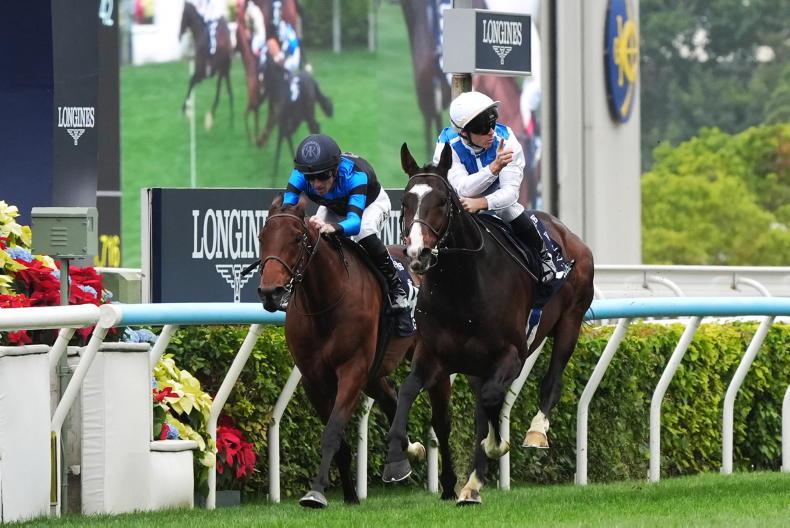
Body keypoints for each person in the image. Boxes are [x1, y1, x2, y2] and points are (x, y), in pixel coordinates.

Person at [433, 91, 570, 284]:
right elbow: (463, 189)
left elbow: (510, 194)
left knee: (509, 210)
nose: (491, 131)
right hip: (461, 198)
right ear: (463, 132)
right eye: (482, 128)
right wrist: (493, 168)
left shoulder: (507, 140)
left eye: (492, 122)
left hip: (498, 198)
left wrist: (482, 202)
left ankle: (545, 257)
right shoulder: (446, 144)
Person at [282, 134, 410, 311]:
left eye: (323, 176)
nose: (317, 184)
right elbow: (286, 213)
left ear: (335, 170)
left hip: (370, 205)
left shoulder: (355, 176)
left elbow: (354, 223)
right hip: (334, 207)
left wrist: (334, 227)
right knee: (312, 238)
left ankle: (396, 287)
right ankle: (294, 288)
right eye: (310, 178)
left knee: (364, 232)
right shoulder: (298, 175)